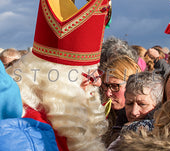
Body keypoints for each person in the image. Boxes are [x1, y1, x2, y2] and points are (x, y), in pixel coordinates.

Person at [5, 0, 112, 150]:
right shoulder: (26, 131)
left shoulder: (68, 123)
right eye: (90, 75)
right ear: (59, 80)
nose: (98, 83)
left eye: (97, 73)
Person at [101, 55, 141, 147]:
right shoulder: (101, 115)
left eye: (115, 86)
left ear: (132, 85)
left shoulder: (145, 122)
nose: (108, 93)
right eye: (106, 86)